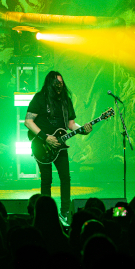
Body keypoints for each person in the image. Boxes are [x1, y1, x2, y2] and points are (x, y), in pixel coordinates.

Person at [24, 70, 91, 220]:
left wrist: (83, 130)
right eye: (56, 83)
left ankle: (65, 212)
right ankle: (45, 213)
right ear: (49, 84)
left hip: (60, 145)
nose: (59, 85)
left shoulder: (66, 100)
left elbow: (71, 124)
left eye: (61, 82)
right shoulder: (40, 98)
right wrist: (45, 137)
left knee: (65, 177)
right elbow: (28, 121)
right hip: (42, 145)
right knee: (46, 179)